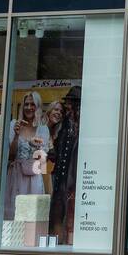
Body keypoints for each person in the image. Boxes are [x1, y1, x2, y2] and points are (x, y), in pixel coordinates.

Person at [3, 92, 50, 220]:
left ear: (38, 107)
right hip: (16, 174)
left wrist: (36, 147)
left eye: (32, 104)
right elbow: (10, 156)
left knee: (33, 214)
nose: (29, 107)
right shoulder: (14, 124)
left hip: (34, 175)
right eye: (26, 104)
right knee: (15, 212)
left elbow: (43, 163)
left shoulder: (43, 129)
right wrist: (17, 135)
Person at [47, 86, 81, 244]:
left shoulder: (80, 124)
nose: (67, 106)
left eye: (70, 103)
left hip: (73, 175)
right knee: (57, 209)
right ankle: (55, 241)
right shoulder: (62, 124)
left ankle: (69, 242)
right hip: (60, 174)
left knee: (72, 210)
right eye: (67, 103)